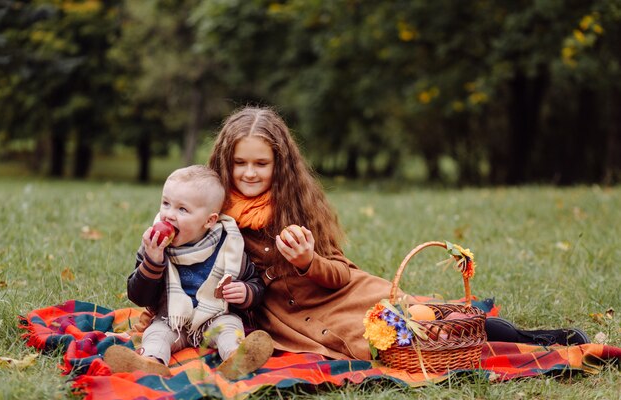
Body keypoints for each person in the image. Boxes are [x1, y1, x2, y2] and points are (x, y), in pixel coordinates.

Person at [208, 106, 590, 361]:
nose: (250, 173)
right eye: (240, 163)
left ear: (280, 164)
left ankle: (538, 339)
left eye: (262, 163)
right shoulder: (213, 212)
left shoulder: (295, 205)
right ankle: (525, 341)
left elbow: (341, 273)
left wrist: (308, 262)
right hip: (295, 323)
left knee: (422, 323)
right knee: (391, 346)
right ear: (226, 164)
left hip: (344, 298)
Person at [104, 165, 274, 379]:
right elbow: (138, 296)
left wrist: (246, 292)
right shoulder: (154, 245)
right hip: (172, 321)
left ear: (209, 220)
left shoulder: (228, 246)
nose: (169, 215)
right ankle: (149, 362)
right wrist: (153, 262)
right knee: (156, 334)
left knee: (230, 328)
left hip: (215, 318)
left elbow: (255, 283)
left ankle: (237, 357)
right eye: (166, 204)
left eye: (182, 209)